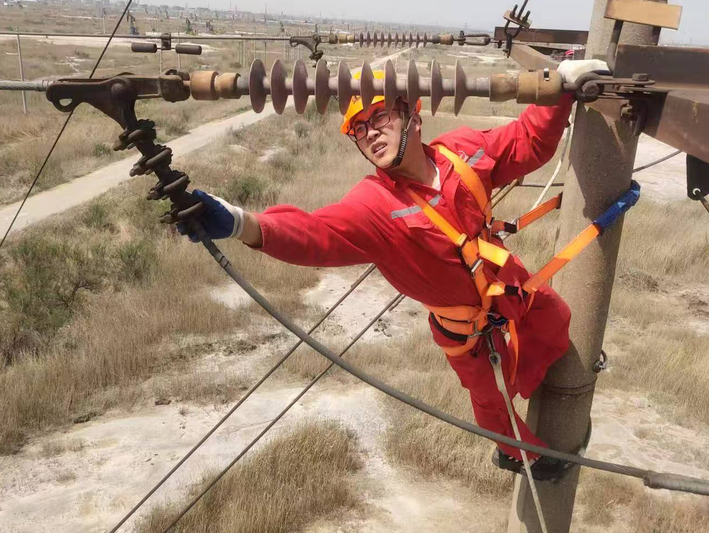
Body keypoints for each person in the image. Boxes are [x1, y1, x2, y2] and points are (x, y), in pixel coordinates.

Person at [178, 59, 608, 480]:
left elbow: (526, 142)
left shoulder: (460, 153)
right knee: (493, 401)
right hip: (469, 331)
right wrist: (241, 223)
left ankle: (556, 378)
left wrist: (560, 87)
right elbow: (313, 234)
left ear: (412, 116)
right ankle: (520, 455)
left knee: (554, 317)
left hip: (509, 287)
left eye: (379, 117)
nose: (370, 133)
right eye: (359, 129)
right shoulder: (374, 205)